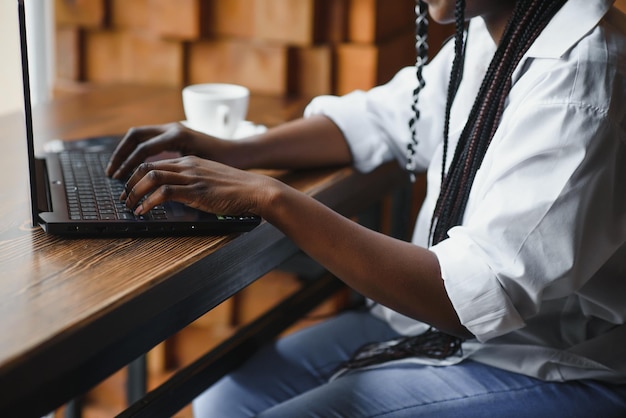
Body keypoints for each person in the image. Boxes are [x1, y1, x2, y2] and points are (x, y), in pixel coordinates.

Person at [106, 0, 626, 416]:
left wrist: (269, 196)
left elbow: (474, 297)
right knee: (226, 398)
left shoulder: (579, 75)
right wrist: (232, 151)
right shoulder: (499, 31)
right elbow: (382, 119)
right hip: (452, 333)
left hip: (558, 360)